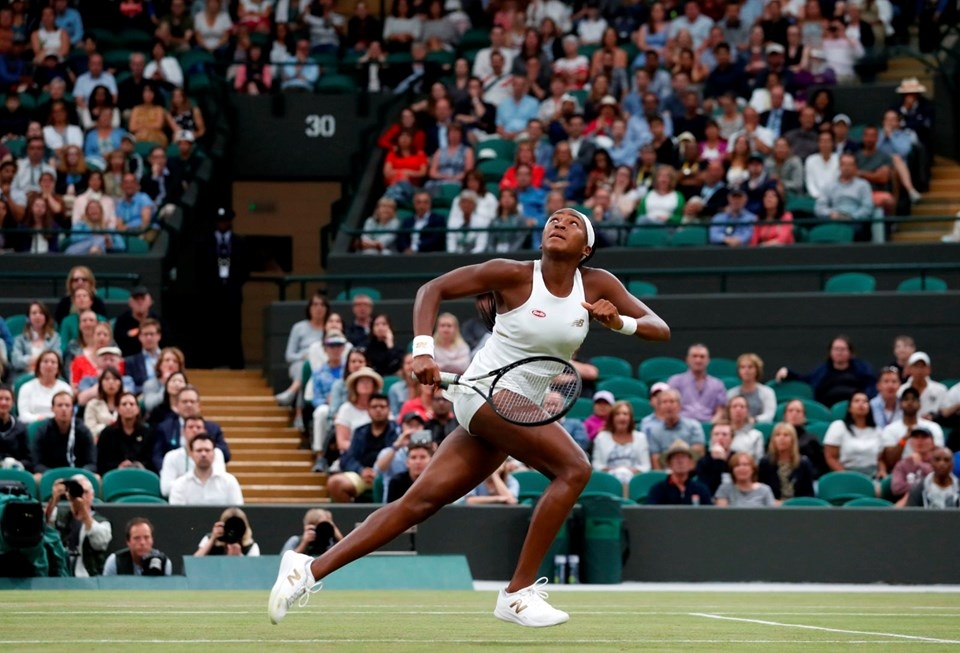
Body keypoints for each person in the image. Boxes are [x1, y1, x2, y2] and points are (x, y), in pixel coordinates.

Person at [268, 205, 670, 627]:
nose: (559, 224)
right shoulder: (512, 273)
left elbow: (659, 327)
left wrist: (619, 321)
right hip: (488, 395)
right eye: (554, 219)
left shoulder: (598, 284)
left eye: (572, 223)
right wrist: (423, 349)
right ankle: (517, 593)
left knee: (416, 505)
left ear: (586, 248)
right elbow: (433, 288)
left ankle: (306, 570)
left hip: (510, 407)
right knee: (575, 469)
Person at [196, 207, 250, 369]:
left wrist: (233, 282)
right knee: (210, 328)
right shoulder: (205, 243)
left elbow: (246, 268)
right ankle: (210, 362)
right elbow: (199, 269)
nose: (222, 224)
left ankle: (236, 363)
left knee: (233, 328)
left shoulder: (240, 242)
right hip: (211, 293)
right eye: (220, 221)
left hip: (232, 292)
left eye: (225, 221)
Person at [326, 392, 398, 503]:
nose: (378, 410)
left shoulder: (397, 431)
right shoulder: (360, 431)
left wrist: (376, 473)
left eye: (382, 406)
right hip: (362, 475)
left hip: (388, 476)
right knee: (335, 482)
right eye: (374, 407)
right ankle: (349, 518)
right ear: (368, 411)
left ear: (389, 410)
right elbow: (348, 458)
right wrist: (361, 470)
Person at [775, 335, 877, 406]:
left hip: (855, 408)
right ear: (830, 352)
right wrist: (788, 373)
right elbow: (807, 379)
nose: (839, 352)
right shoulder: (822, 370)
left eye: (842, 349)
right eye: (836, 349)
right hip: (827, 409)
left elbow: (871, 385)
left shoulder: (862, 369)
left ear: (850, 352)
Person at [45, 474, 111, 576]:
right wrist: (54, 499)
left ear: (92, 495)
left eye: (85, 492)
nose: (82, 496)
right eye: (78, 492)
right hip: (60, 571)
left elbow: (99, 543)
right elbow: (43, 525)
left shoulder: (101, 522)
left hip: (87, 574)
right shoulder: (59, 514)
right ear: (68, 495)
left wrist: (83, 512)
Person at [275, 292, 329, 406]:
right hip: (300, 363)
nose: (318, 308)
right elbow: (289, 356)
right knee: (303, 368)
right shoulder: (298, 327)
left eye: (322, 305)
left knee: (312, 369)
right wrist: (303, 356)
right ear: (309, 308)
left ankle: (291, 393)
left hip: (322, 363)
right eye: (315, 305)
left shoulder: (330, 328)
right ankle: (298, 412)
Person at [879, 386, 944, 473]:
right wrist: (904, 439)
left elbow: (940, 456)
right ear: (900, 405)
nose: (910, 402)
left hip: (929, 471)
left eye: (914, 399)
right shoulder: (890, 429)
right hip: (900, 472)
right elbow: (890, 461)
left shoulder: (933, 427)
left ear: (920, 404)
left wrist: (921, 458)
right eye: (906, 399)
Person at [158, 415, 226, 497]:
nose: (194, 430)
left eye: (198, 427)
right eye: (190, 427)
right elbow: (165, 489)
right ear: (183, 432)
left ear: (204, 431)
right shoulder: (171, 456)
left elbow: (219, 484)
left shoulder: (216, 453)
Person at [169, 433, 243, 505]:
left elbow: (237, 512)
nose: (203, 454)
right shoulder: (179, 485)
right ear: (191, 454)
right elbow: (176, 515)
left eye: (207, 450)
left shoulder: (229, 481)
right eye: (199, 450)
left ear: (214, 453)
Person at [590, 400, 651, 488]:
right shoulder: (601, 437)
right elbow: (597, 465)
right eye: (617, 414)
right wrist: (617, 471)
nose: (621, 417)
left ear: (630, 418)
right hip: (608, 481)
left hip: (634, 481)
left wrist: (628, 471)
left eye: (625, 414)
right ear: (612, 418)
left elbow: (645, 466)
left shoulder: (641, 438)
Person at [823, 391, 884, 478]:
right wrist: (846, 476)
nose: (861, 404)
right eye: (856, 401)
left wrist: (882, 471)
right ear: (849, 408)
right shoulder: (838, 426)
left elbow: (880, 459)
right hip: (845, 474)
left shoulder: (877, 431)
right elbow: (830, 457)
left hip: (872, 476)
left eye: (865, 401)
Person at [644, 388, 706, 469]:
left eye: (672, 401)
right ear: (659, 407)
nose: (668, 405)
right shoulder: (654, 432)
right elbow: (656, 460)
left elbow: (698, 453)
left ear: (680, 405)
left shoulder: (694, 426)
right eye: (664, 402)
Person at [667, 344, 728, 422]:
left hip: (709, 425)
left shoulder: (718, 384)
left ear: (708, 360)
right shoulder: (675, 381)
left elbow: (720, 411)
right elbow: (670, 408)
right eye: (694, 356)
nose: (698, 360)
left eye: (702, 357)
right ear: (687, 359)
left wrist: (709, 425)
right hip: (682, 425)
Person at [757, 422, 816, 500]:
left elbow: (808, 494)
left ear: (793, 440)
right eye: (778, 435)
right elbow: (761, 493)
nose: (782, 438)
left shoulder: (803, 463)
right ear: (773, 439)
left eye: (786, 435)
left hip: (797, 507)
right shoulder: (765, 463)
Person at [647, 439, 713, 505]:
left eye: (683, 457)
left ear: (691, 463)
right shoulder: (657, 491)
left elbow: (709, 514)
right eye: (675, 458)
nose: (680, 461)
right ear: (669, 464)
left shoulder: (701, 490)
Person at [103, 517, 173, 576]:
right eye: (137, 538)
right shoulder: (115, 561)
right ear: (128, 542)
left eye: (146, 537)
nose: (142, 542)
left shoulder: (164, 562)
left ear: (152, 540)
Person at [17, 351, 72, 424]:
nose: (49, 365)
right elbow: (23, 415)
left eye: (53, 362)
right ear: (38, 366)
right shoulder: (26, 387)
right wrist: (42, 419)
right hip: (32, 426)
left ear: (58, 368)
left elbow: (68, 413)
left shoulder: (65, 388)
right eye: (45, 362)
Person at [10, 301, 60, 375]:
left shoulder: (55, 338)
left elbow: (58, 359)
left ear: (46, 317)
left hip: (49, 375)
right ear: (28, 318)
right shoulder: (19, 339)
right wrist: (38, 360)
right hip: (24, 375)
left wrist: (36, 363)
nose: (38, 316)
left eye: (41, 313)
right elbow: (16, 361)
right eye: (34, 313)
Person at [890, 425, 937, 499]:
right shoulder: (903, 464)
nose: (920, 440)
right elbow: (897, 488)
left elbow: (937, 484)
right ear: (910, 442)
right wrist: (921, 487)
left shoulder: (939, 461)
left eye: (924, 437)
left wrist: (919, 464)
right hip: (908, 506)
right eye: (916, 437)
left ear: (932, 442)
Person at [113, 286, 161, 358]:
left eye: (143, 299)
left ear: (150, 302)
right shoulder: (122, 321)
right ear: (130, 302)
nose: (140, 302)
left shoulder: (158, 320)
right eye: (136, 299)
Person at [727, 353, 776, 422]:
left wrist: (754, 420)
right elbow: (727, 415)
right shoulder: (731, 393)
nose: (746, 370)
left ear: (757, 370)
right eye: (742, 367)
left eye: (750, 367)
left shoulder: (768, 392)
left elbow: (769, 415)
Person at [899, 352, 948, 420]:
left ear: (929, 369)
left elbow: (945, 412)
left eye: (923, 366)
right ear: (909, 369)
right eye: (916, 366)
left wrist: (934, 417)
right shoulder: (901, 390)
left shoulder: (941, 390)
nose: (919, 370)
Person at [194, 507, 260, 556]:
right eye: (230, 526)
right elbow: (194, 563)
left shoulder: (250, 546)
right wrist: (212, 539)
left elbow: (253, 570)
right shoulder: (209, 539)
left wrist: (239, 556)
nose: (233, 530)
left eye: (237, 526)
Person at [387, 438, 434, 502]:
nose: (418, 462)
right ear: (407, 462)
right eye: (413, 457)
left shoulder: (437, 481)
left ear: (432, 460)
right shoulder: (396, 482)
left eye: (423, 457)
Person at [83, 367, 122, 440]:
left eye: (115, 379)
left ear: (120, 383)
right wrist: (108, 427)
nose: (111, 382)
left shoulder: (125, 403)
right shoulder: (93, 404)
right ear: (101, 383)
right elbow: (90, 429)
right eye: (107, 379)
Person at [0, 385, 30, 471]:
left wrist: (17, 464)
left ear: (13, 403)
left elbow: (29, 460)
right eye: (0, 399)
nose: (3, 402)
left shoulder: (21, 428)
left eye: (7, 399)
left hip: (15, 474)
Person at [727, 395, 765, 461]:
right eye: (734, 406)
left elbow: (759, 459)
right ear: (728, 410)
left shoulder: (756, 435)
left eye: (742, 407)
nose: (738, 410)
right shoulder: (720, 433)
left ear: (747, 411)